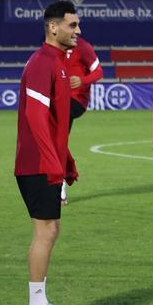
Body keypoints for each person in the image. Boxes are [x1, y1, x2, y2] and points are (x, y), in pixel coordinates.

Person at [15, 0, 82, 305]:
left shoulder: (56, 62)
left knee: (50, 230)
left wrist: (66, 159)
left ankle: (40, 304)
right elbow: (36, 117)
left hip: (45, 161)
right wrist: (53, 163)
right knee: (46, 231)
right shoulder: (43, 62)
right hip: (37, 164)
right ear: (53, 27)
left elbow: (57, 122)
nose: (78, 31)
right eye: (72, 25)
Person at [59, 35, 103, 205]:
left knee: (55, 139)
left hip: (75, 101)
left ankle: (62, 180)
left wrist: (82, 80)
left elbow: (99, 72)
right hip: (58, 99)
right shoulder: (54, 47)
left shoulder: (82, 46)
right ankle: (62, 177)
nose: (76, 30)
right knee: (56, 140)